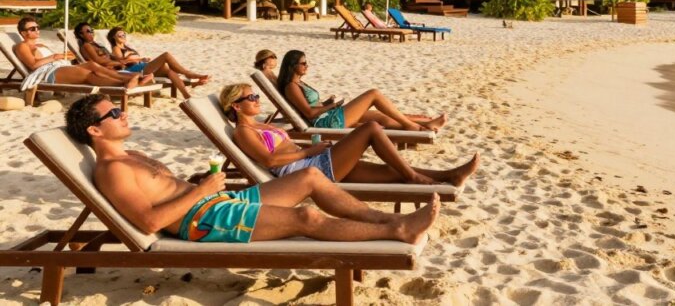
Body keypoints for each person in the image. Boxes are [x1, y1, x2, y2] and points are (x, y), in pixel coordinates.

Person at [65, 94, 438, 244]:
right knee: (304, 217)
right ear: (95, 130)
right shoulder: (112, 169)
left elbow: (161, 192)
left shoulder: (130, 156)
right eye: (112, 113)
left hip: (215, 200)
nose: (122, 112)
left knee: (310, 176)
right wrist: (201, 190)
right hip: (204, 219)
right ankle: (399, 229)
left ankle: (380, 220)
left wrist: (198, 184)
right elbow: (148, 222)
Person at [222, 84, 478, 186]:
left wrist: (315, 147)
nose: (257, 99)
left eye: (256, 95)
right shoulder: (243, 132)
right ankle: (413, 176)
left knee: (390, 172)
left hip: (314, 161)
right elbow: (269, 161)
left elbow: (282, 148)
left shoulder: (261, 125)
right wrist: (309, 151)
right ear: (236, 105)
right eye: (251, 97)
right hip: (305, 169)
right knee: (370, 129)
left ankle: (451, 176)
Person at [277, 50, 446, 132]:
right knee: (373, 94)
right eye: (303, 63)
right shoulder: (291, 87)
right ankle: (412, 126)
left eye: (306, 62)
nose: (307, 66)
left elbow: (310, 106)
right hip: (327, 122)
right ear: (292, 66)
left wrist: (327, 103)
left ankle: (423, 124)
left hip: (329, 116)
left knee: (380, 118)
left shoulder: (298, 83)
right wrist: (332, 106)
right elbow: (308, 112)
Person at [13, 17, 144, 89]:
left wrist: (66, 56)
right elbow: (33, 65)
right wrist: (55, 56)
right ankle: (123, 83)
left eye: (37, 27)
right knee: (88, 75)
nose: (37, 30)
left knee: (92, 65)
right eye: (32, 28)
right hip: (48, 73)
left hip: (59, 67)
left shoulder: (40, 45)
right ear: (24, 33)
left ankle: (129, 78)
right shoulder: (22, 46)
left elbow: (51, 59)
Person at [107, 26, 210, 98]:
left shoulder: (127, 47)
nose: (123, 36)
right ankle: (188, 74)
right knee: (166, 55)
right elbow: (122, 61)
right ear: (113, 37)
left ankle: (186, 95)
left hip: (143, 67)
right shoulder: (116, 48)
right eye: (120, 35)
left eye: (124, 34)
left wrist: (142, 60)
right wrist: (140, 59)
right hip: (133, 71)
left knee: (169, 71)